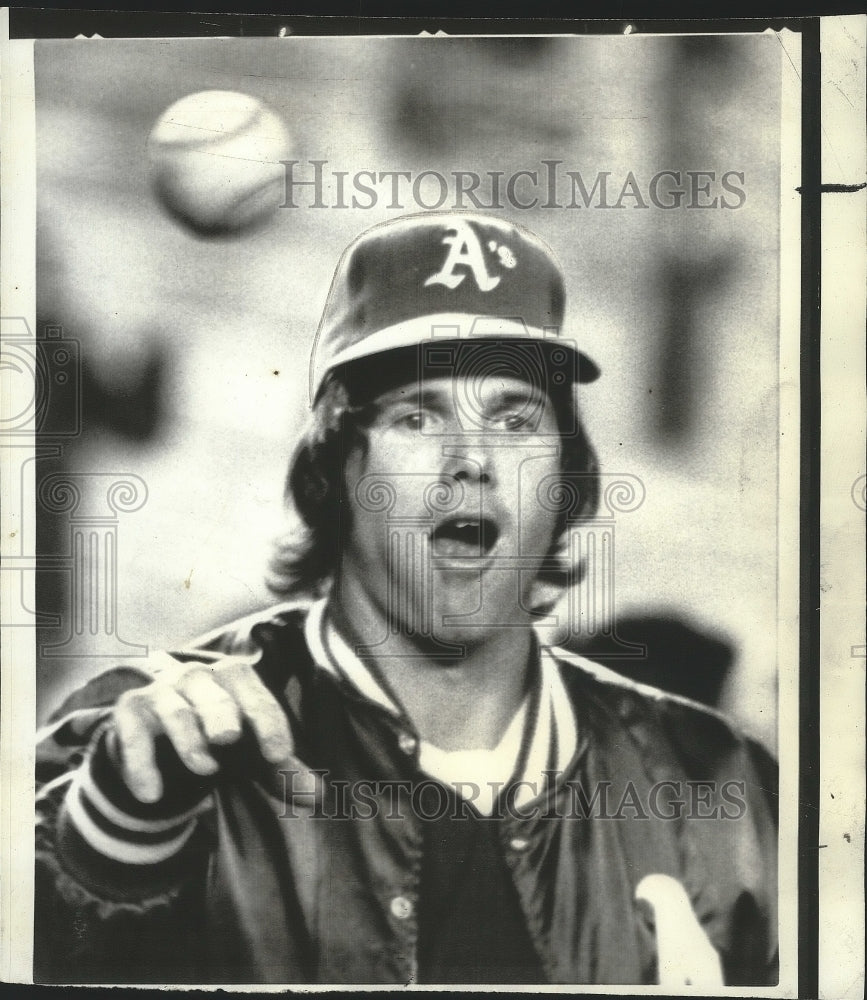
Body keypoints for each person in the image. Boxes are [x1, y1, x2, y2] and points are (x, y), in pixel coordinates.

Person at [35, 213, 778, 987]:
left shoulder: (720, 782)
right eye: (417, 415)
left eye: (514, 418)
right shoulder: (141, 733)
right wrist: (117, 833)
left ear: (566, 475)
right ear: (335, 466)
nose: (472, 458)